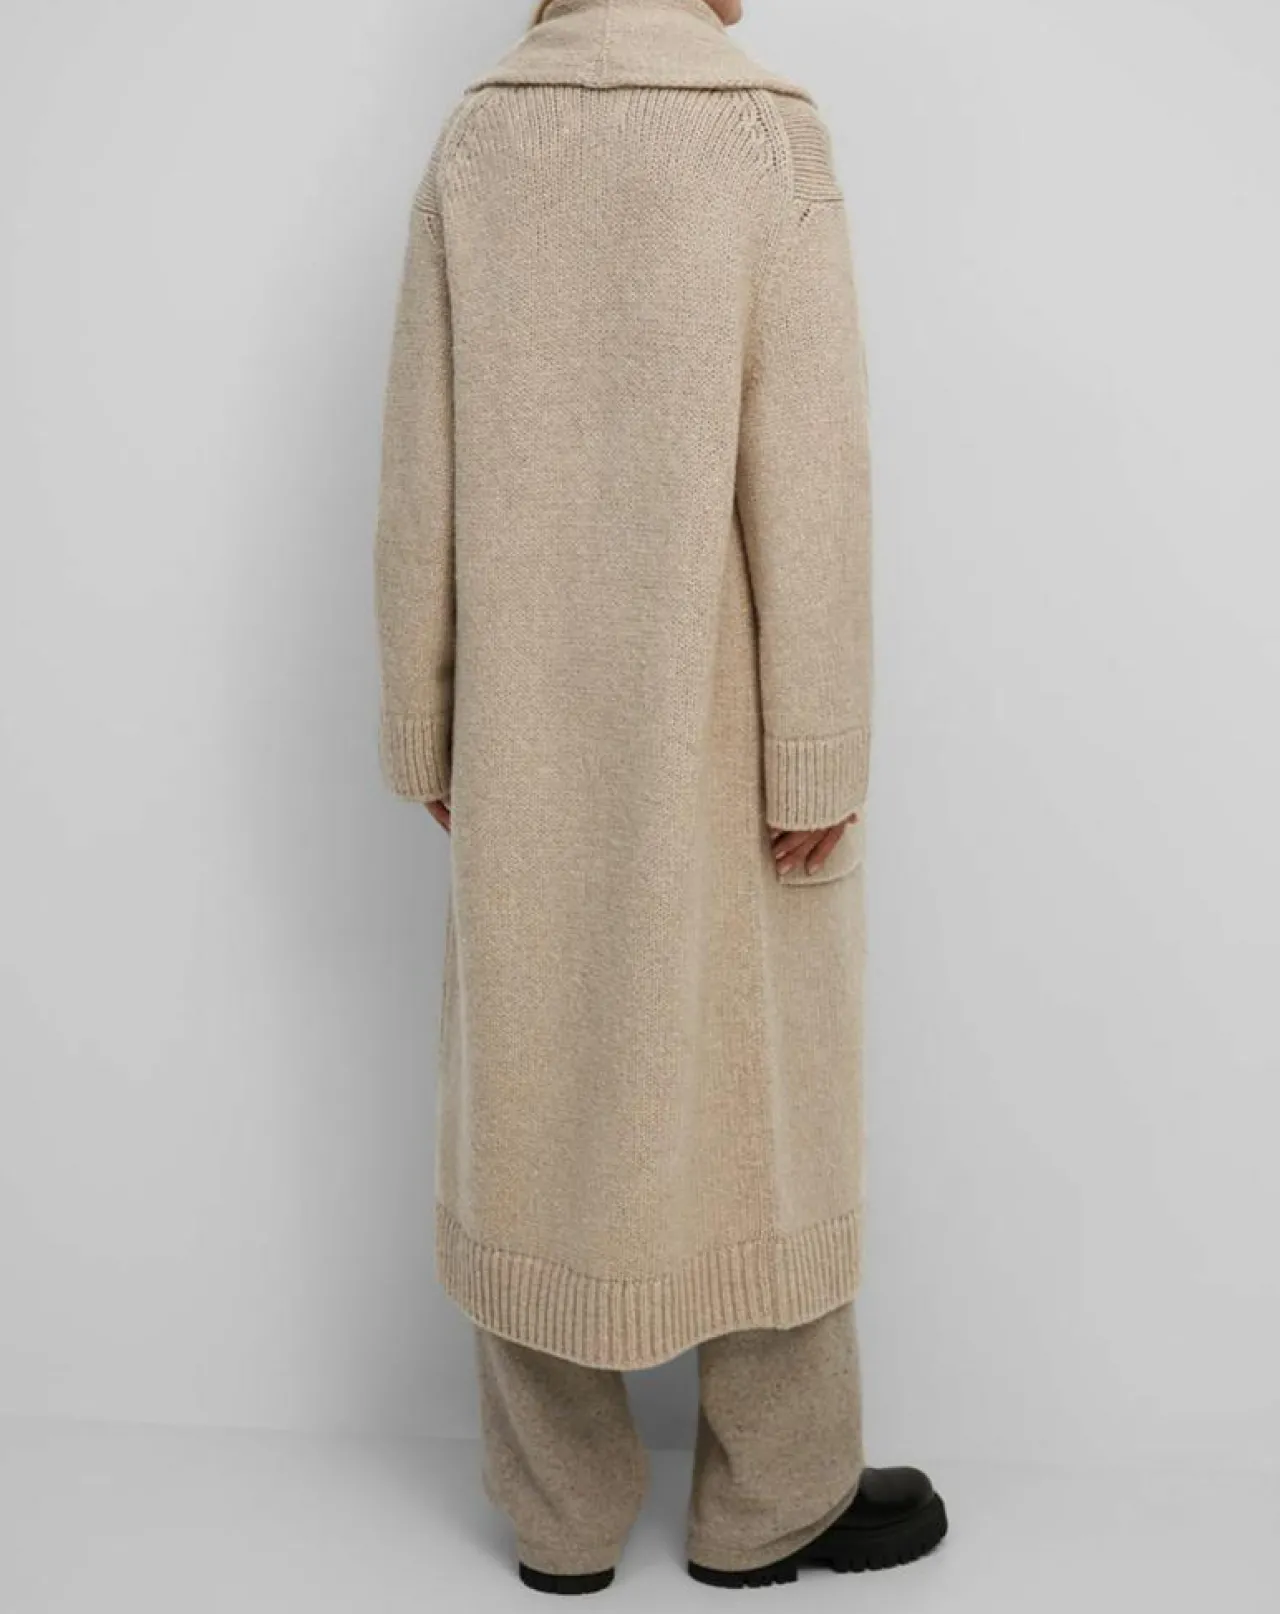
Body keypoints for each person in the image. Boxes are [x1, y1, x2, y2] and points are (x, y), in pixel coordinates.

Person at [374, 0, 946, 1594]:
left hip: (525, 732)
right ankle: (773, 1498)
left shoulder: (477, 138)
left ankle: (559, 1512)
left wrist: (425, 721)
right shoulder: (764, 135)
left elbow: (416, 459)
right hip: (725, 728)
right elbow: (813, 466)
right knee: (766, 1092)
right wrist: (818, 745)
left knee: (530, 1086)